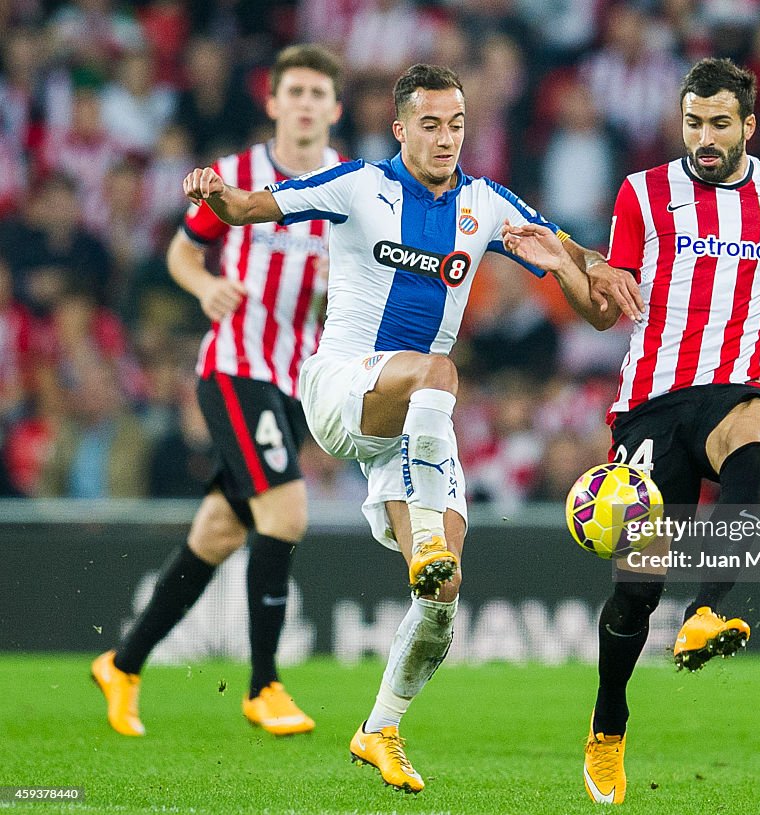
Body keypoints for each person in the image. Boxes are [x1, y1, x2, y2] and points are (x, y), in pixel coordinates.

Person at [181, 63, 636, 794]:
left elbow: (594, 305)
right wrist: (214, 190)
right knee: (440, 371)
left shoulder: (485, 203)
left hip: (410, 424)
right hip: (342, 388)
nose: (446, 137)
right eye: (430, 123)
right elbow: (247, 208)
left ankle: (380, 727)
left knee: (443, 589)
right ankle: (423, 538)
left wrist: (590, 268)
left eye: (457, 124)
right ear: (400, 128)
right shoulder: (358, 185)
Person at [503, 57, 760, 805]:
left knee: (757, 440)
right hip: (653, 402)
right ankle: (608, 722)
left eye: (719, 123)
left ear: (748, 126)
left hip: (737, 383)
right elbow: (608, 307)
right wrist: (582, 275)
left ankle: (706, 612)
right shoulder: (644, 194)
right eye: (692, 121)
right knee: (636, 588)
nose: (703, 136)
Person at [91, 44, 345, 738]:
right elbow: (181, 248)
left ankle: (124, 661)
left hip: (294, 382)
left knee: (218, 529)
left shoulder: (346, 189)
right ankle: (263, 684)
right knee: (287, 510)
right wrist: (205, 286)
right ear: (271, 102)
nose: (303, 103)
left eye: (317, 93)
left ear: (335, 108)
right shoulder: (236, 177)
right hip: (235, 367)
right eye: (292, 89)